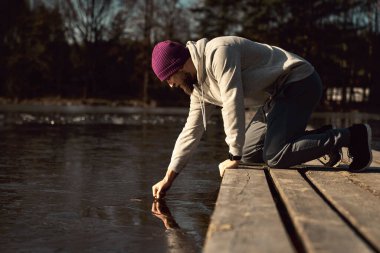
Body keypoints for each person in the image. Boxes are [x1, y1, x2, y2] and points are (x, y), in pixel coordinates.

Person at [150, 36, 372, 199]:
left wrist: (232, 156)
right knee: (249, 154)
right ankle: (321, 139)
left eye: (169, 78)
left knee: (275, 156)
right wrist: (168, 178)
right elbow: (191, 131)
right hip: (276, 96)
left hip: (299, 81)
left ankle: (353, 135)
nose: (170, 84)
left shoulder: (219, 52)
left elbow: (232, 100)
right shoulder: (198, 88)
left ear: (177, 65)